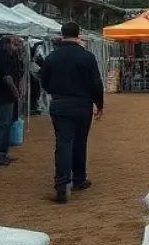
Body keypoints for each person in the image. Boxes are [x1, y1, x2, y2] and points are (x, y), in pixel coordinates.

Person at [40, 21, 104, 204]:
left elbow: (44, 81)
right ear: (78, 35)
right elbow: (96, 83)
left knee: (63, 143)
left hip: (60, 104)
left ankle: (61, 186)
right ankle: (79, 179)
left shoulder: (52, 57)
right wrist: (99, 104)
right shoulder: (87, 57)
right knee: (80, 142)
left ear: (62, 34)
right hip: (83, 104)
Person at [0, 34, 24, 167]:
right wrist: (16, 92)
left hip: (6, 96)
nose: (19, 49)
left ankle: (1, 154)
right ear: (10, 43)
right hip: (0, 96)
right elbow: (7, 77)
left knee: (5, 125)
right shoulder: (1, 55)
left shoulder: (9, 55)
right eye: (17, 46)